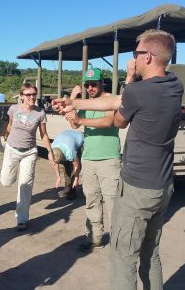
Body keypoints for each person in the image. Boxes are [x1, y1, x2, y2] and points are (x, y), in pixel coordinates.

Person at [53, 29, 183, 290]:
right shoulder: (174, 85)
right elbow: (116, 101)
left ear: (148, 56)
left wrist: (131, 77)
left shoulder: (138, 90)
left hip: (137, 187)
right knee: (151, 252)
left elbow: (119, 117)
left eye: (137, 53)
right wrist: (74, 103)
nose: (133, 58)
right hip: (163, 184)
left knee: (123, 256)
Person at [64, 68, 121, 252]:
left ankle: (118, 242)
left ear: (101, 83)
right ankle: (94, 238)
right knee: (92, 200)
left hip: (109, 159)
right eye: (87, 85)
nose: (90, 88)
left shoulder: (111, 99)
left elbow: (108, 122)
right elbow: (74, 124)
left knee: (113, 202)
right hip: (89, 158)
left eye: (93, 84)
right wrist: (72, 107)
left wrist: (81, 121)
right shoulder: (85, 103)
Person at [0, 83, 55, 231]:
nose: (32, 97)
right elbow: (10, 125)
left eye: (34, 94)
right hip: (12, 149)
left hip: (29, 152)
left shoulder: (40, 113)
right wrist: (5, 136)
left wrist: (50, 151)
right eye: (28, 94)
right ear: (22, 96)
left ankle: (22, 219)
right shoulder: (13, 109)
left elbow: (43, 134)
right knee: (6, 181)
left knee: (25, 186)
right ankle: (10, 178)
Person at [50, 129, 84, 200]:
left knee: (76, 166)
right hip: (67, 139)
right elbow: (55, 163)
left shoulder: (70, 151)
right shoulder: (52, 148)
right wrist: (58, 178)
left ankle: (73, 191)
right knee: (66, 166)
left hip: (80, 140)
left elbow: (77, 166)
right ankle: (68, 187)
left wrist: (76, 179)